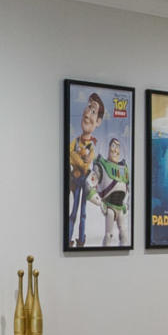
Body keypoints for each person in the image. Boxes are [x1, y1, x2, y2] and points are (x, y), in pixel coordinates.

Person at [65, 92, 106, 247]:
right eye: (88, 107)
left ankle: (81, 240)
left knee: (82, 212)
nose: (88, 113)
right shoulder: (75, 141)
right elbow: (71, 155)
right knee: (73, 212)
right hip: (76, 180)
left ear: (98, 122)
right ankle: (68, 238)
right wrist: (80, 160)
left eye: (93, 111)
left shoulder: (91, 146)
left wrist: (81, 161)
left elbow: (87, 162)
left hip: (84, 181)